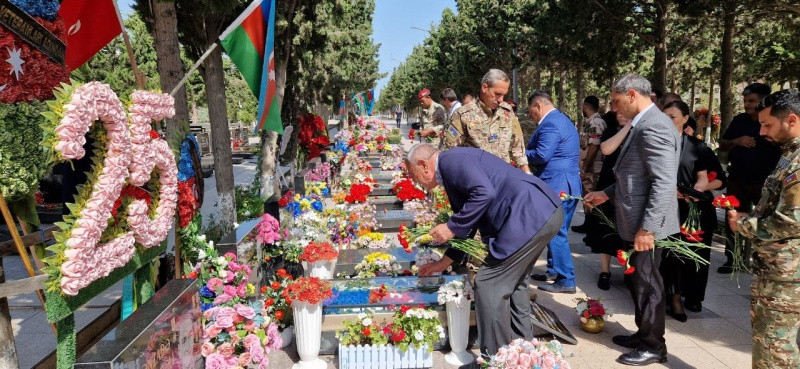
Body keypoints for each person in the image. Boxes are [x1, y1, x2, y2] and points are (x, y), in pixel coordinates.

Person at [410, 144, 562, 355]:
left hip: (527, 216)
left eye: (413, 175)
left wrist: (450, 226)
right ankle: (523, 350)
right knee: (516, 282)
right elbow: (469, 224)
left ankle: (496, 357)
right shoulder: (452, 165)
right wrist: (444, 262)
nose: (415, 182)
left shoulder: (450, 161)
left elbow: (484, 193)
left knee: (487, 283)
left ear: (424, 165)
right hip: (542, 213)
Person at [585, 73, 679, 366]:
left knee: (649, 286)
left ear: (633, 95)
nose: (613, 108)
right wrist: (606, 193)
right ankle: (643, 333)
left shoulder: (654, 127)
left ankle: (654, 346)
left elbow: (662, 183)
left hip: (647, 225)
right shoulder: (642, 124)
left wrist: (647, 229)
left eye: (615, 101)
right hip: (635, 220)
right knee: (639, 283)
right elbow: (636, 176)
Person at [728, 90, 800, 369]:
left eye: (767, 124)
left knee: (776, 350)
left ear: (791, 120)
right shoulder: (788, 154)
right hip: (775, 269)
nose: (760, 131)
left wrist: (744, 223)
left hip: (787, 274)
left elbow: (790, 221)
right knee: (767, 342)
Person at [660, 100, 726, 322]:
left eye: (673, 116)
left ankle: (694, 296)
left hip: (696, 209)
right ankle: (674, 297)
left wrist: (700, 188)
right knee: (673, 255)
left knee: (697, 255)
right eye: (664, 116)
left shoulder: (698, 147)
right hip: (670, 209)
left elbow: (720, 181)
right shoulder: (658, 145)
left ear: (686, 118)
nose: (668, 121)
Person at [718, 83, 781, 273]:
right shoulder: (740, 121)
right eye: (745, 101)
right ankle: (734, 259)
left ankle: (765, 261)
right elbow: (722, 144)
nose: (747, 105)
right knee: (734, 220)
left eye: (752, 101)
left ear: (763, 100)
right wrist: (737, 141)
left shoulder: (773, 121)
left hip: (765, 182)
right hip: (738, 179)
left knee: (764, 221)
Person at [525, 90, 581, 293]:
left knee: (556, 231)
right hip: (566, 183)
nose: (531, 115)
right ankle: (553, 271)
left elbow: (541, 154)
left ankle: (566, 280)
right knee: (557, 229)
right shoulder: (561, 119)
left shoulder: (551, 123)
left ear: (538, 105)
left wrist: (520, 153)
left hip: (558, 185)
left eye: (531, 111)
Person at [441, 69, 531, 173]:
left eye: (503, 95)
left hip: (504, 178)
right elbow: (449, 151)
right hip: (477, 179)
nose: (501, 99)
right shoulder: (463, 115)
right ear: (485, 87)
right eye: (497, 94)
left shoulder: (507, 112)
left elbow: (518, 147)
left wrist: (527, 174)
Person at [584, 111, 628, 290]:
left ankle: (628, 269)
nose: (623, 116)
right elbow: (605, 149)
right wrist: (625, 128)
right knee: (605, 227)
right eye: (620, 114)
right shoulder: (611, 131)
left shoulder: (640, 132)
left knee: (626, 229)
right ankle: (605, 271)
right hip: (608, 183)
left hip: (629, 188)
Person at [572, 96, 607, 234]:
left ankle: (591, 227)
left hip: (593, 167)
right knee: (587, 195)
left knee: (591, 195)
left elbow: (593, 146)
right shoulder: (592, 121)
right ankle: (588, 224)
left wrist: (585, 168)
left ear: (585, 106)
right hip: (589, 166)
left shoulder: (595, 122)